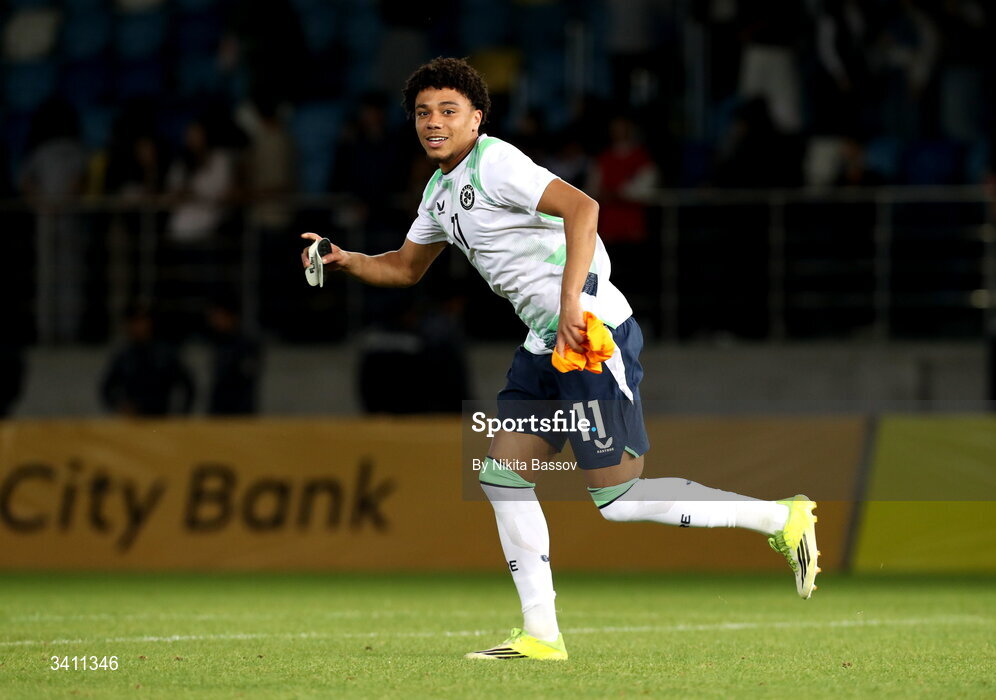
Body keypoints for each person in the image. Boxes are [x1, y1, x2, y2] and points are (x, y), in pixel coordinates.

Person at [300, 57, 819, 661]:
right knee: (501, 470)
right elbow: (403, 268)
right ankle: (541, 635)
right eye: (422, 113)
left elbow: (584, 209)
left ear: (476, 118)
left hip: (589, 332)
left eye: (448, 111)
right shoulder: (439, 194)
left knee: (619, 500)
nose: (433, 122)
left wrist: (573, 302)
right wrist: (344, 259)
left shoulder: (495, 161)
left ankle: (780, 518)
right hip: (544, 344)